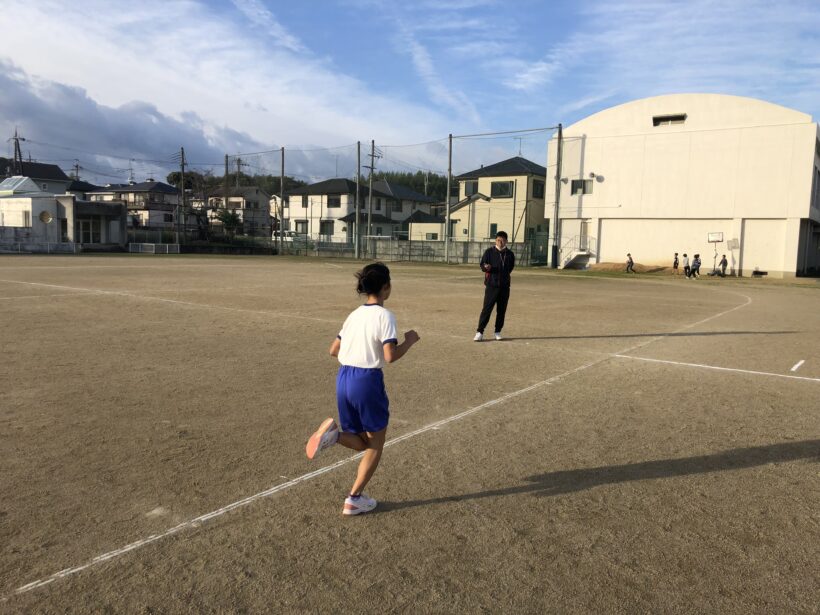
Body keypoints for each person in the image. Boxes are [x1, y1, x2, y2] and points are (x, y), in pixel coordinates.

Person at [305, 262, 420, 516]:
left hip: (344, 378)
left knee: (360, 441)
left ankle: (333, 436)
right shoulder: (385, 315)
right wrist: (409, 341)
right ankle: (354, 498)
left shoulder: (354, 315)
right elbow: (390, 356)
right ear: (386, 287)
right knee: (375, 444)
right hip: (366, 381)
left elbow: (333, 350)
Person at [474, 230, 515, 341]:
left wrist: (504, 277)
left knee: (501, 311)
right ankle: (479, 332)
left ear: (506, 241)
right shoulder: (489, 252)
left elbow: (510, 268)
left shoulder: (510, 254)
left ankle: (497, 331)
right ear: (495, 240)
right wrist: (486, 267)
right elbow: (482, 265)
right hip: (492, 285)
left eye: (502, 240)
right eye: (498, 240)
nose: (500, 242)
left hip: (505, 287)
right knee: (487, 309)